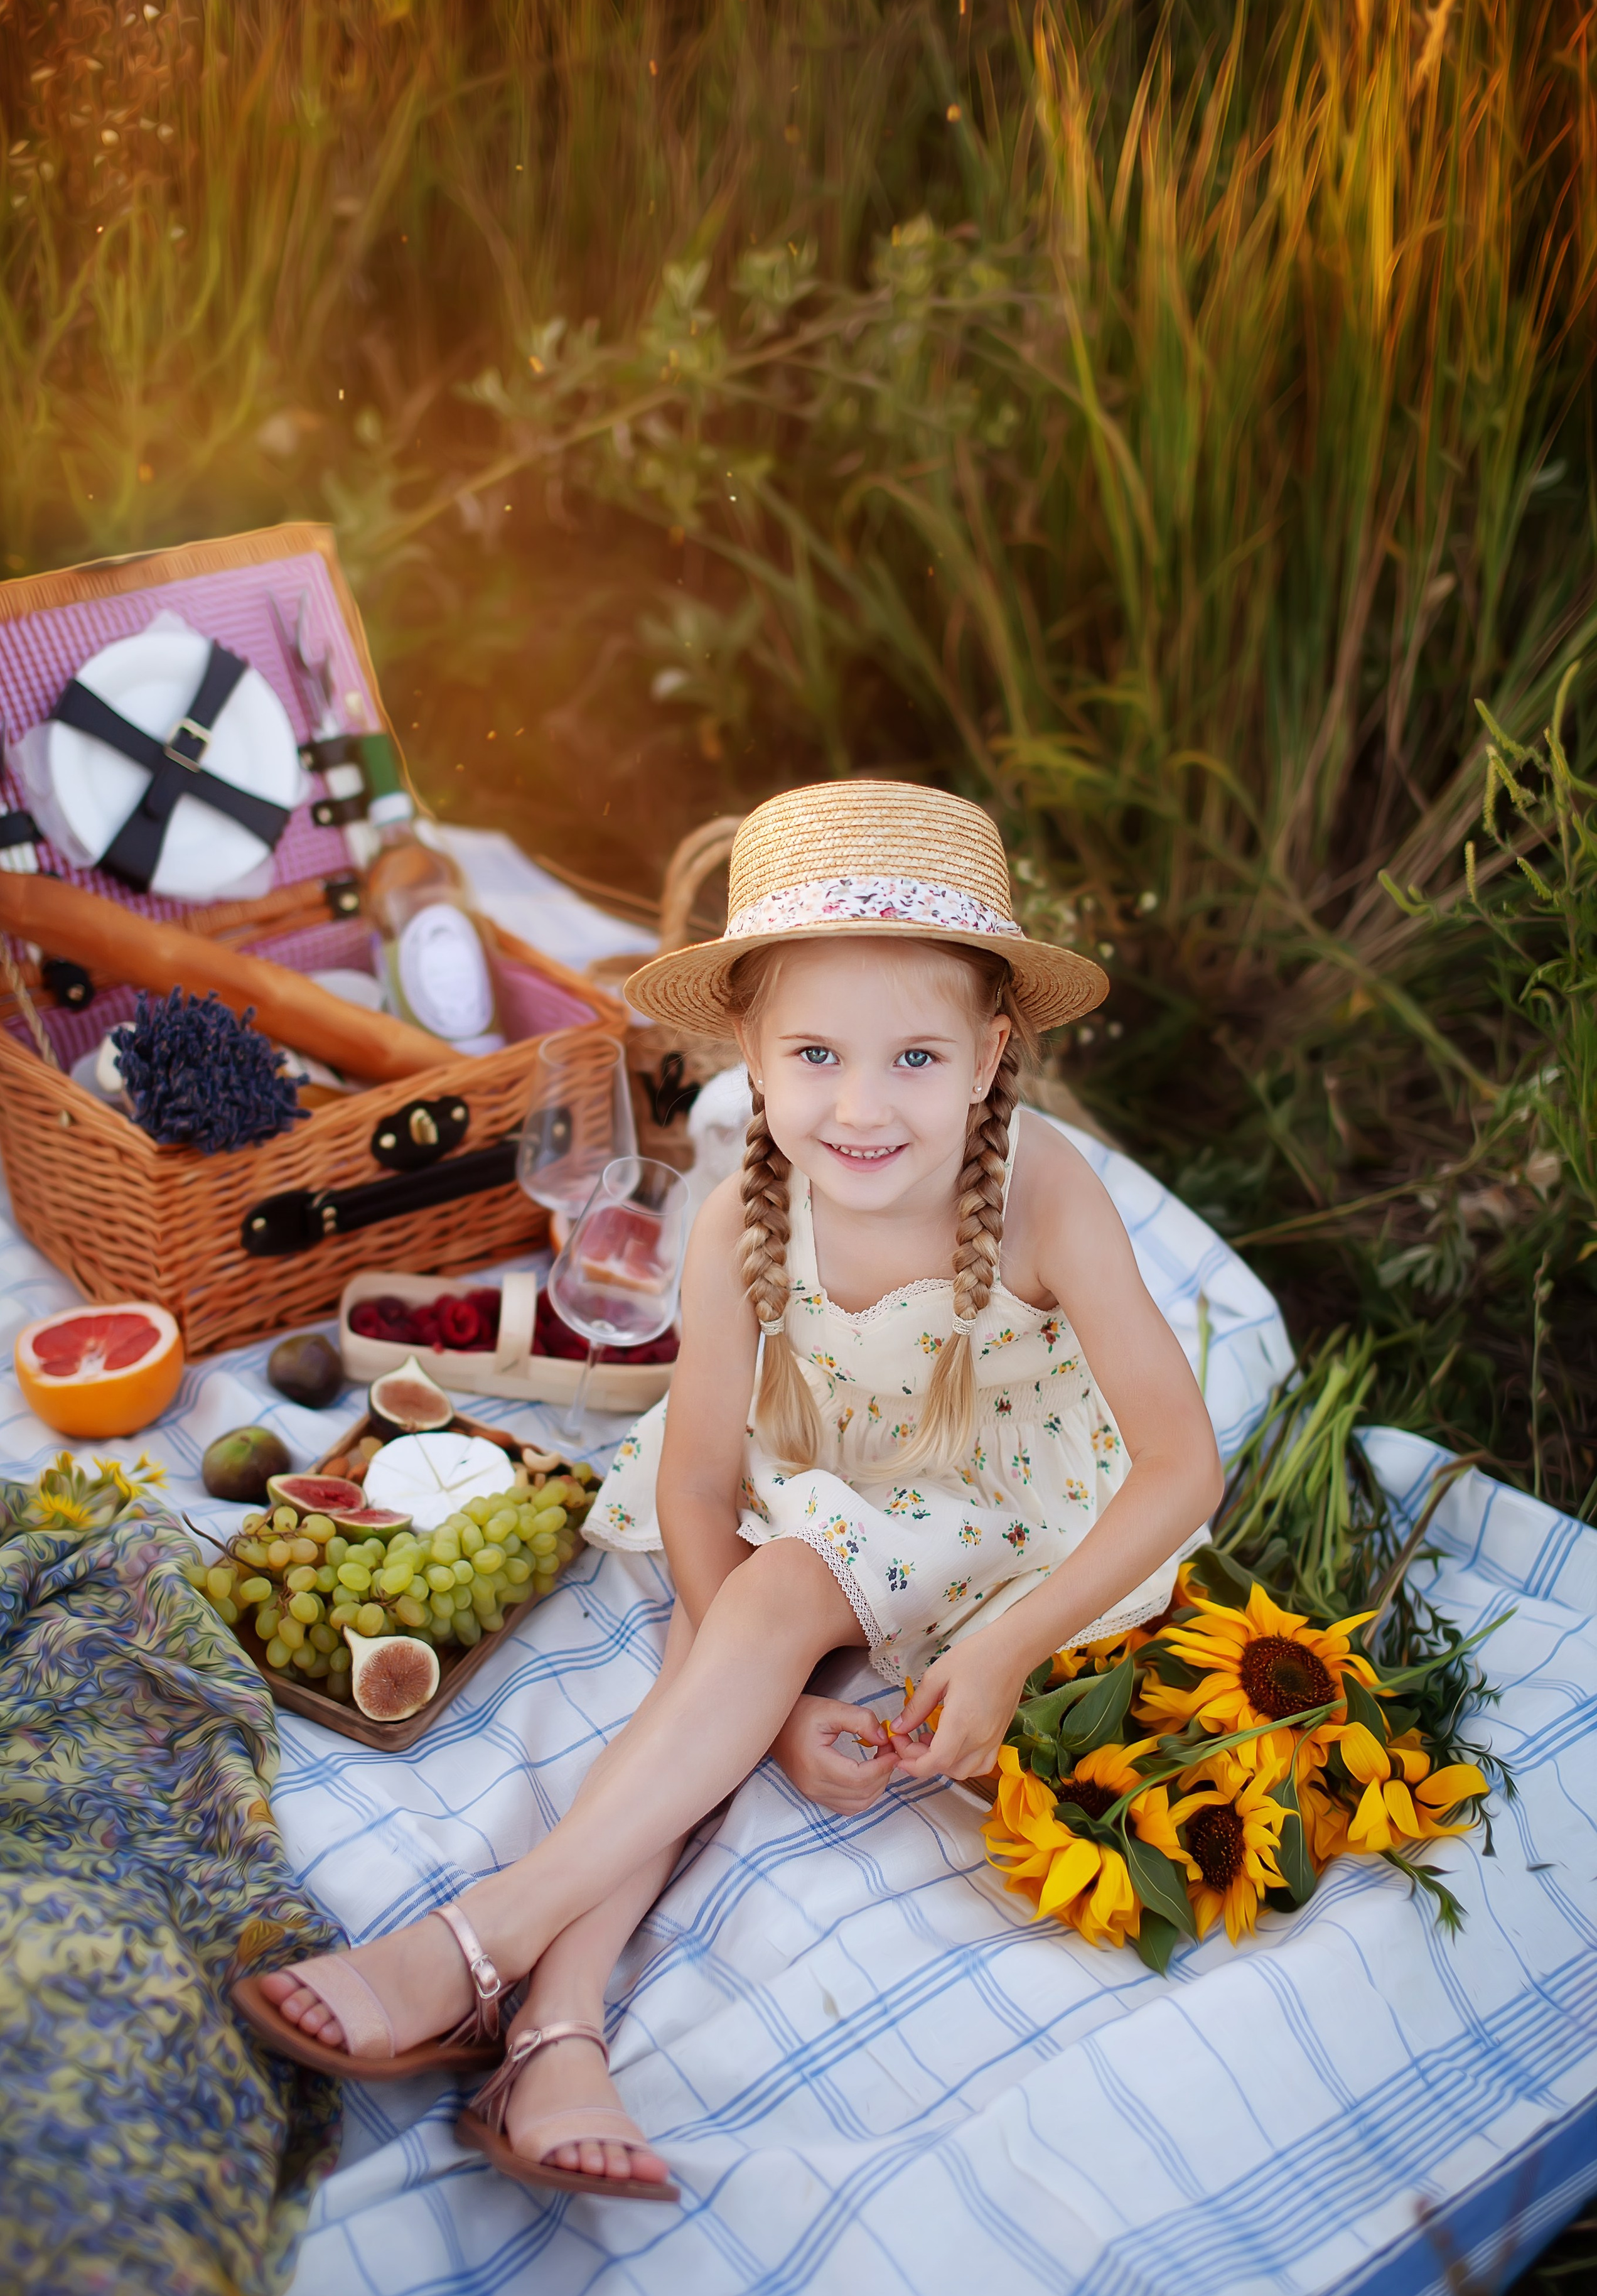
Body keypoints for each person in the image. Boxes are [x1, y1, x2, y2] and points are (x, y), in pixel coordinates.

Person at [235, 782, 1222, 2204]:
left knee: (762, 1601)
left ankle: (481, 1945)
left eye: (915, 1057)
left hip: (1000, 1510)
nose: (862, 1107)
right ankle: (556, 2029)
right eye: (814, 1053)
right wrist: (769, 1714)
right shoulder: (735, 1221)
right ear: (749, 1052)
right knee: (726, 1637)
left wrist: (1007, 1650)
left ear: (991, 1055)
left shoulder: (1042, 1195)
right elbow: (700, 1483)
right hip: (808, 1487)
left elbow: (1181, 1463)